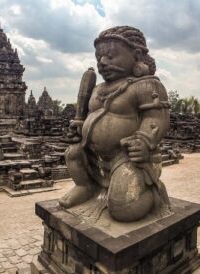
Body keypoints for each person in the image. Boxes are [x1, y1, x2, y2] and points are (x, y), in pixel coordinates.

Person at [60, 26, 171, 222]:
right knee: (72, 153)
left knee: (122, 209)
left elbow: (156, 118)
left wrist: (144, 141)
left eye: (111, 56)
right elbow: (89, 115)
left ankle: (154, 195)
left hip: (128, 157)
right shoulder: (98, 89)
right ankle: (85, 186)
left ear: (136, 56)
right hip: (94, 155)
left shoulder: (146, 85)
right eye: (99, 58)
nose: (102, 62)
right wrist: (79, 126)